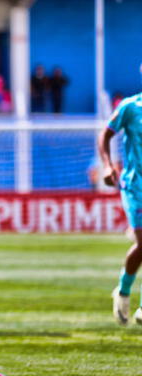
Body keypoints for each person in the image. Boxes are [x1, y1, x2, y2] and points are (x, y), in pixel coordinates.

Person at [99, 91, 142, 326]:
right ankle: (124, 291)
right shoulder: (130, 106)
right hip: (135, 185)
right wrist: (107, 166)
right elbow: (104, 135)